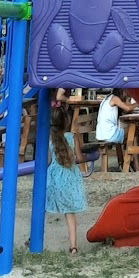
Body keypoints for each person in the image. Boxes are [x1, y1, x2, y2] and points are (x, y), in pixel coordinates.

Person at [45, 99, 87, 256]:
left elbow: (48, 161)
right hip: (69, 179)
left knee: (43, 207)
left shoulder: (50, 140)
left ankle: (32, 238)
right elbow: (80, 158)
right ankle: (73, 247)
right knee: (70, 214)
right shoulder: (72, 137)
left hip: (55, 179)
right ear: (67, 121)